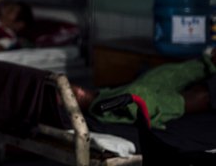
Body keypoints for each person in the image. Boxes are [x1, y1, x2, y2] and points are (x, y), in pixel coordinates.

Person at [72, 47, 216, 129]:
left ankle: (93, 100)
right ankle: (95, 97)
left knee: (194, 97)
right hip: (205, 64)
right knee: (162, 76)